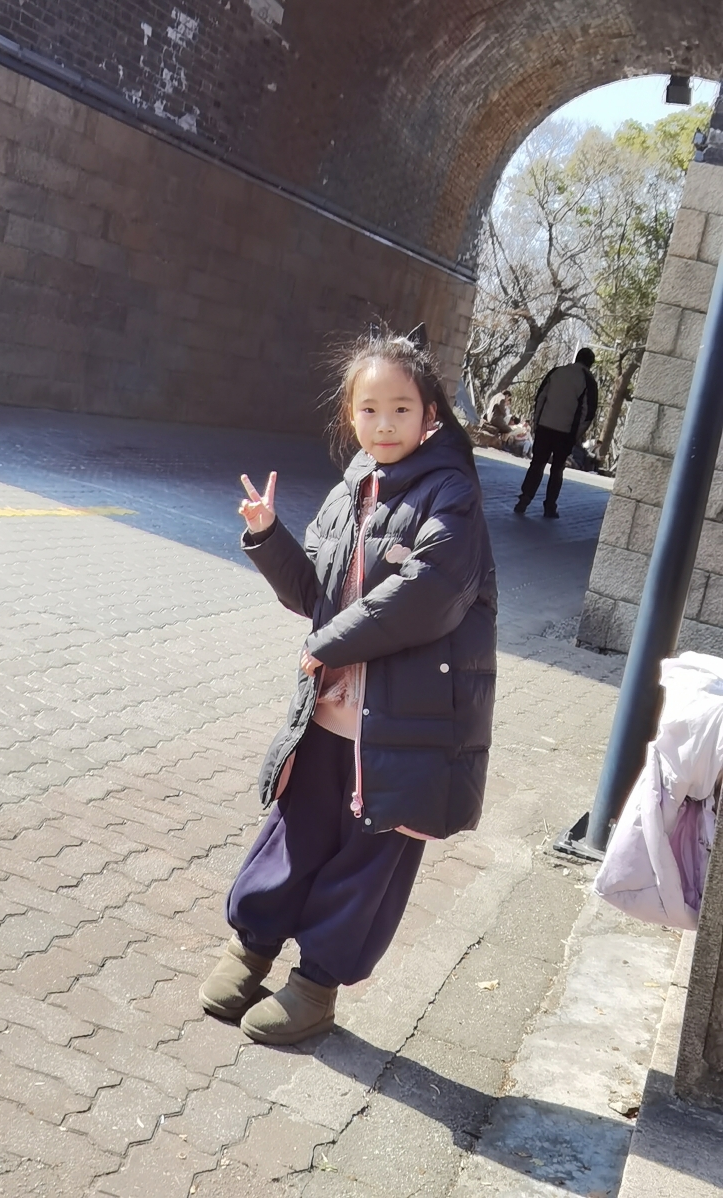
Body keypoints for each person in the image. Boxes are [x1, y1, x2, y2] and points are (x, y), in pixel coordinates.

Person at [198, 331, 498, 1045]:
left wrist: (327, 645)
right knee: (294, 834)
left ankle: (315, 988)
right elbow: (315, 596)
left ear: (430, 413)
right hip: (331, 714)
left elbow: (431, 594)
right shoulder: (348, 491)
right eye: (369, 409)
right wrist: (269, 538)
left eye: (401, 408)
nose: (384, 424)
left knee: (366, 862)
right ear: (349, 414)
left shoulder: (453, 493)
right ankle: (251, 949)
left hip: (408, 728)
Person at [513, 348, 598, 518]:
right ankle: (550, 506)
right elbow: (588, 414)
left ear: (577, 358)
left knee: (537, 464)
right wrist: (576, 434)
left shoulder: (557, 372)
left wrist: (537, 422)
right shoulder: (588, 381)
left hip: (545, 426)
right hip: (566, 432)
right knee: (557, 469)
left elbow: (540, 398)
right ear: (590, 364)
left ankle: (524, 500)